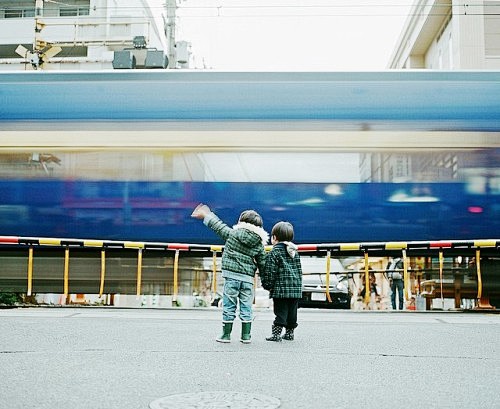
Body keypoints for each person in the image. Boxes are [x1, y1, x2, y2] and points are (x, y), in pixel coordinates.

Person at [191, 203, 268, 344]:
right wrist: (267, 280)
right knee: (246, 307)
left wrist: (207, 215)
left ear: (241, 222)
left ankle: (226, 335)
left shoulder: (232, 234)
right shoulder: (259, 244)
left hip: (231, 277)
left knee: (229, 306)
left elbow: (217, 225)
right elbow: (263, 263)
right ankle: (246, 336)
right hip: (247, 280)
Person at [260, 221, 302, 342]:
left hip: (281, 290)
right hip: (295, 289)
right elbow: (299, 271)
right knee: (292, 313)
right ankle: (289, 333)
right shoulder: (295, 252)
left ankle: (276, 335)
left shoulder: (275, 252)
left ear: (274, 237)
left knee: (280, 312)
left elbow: (270, 271)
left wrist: (267, 285)